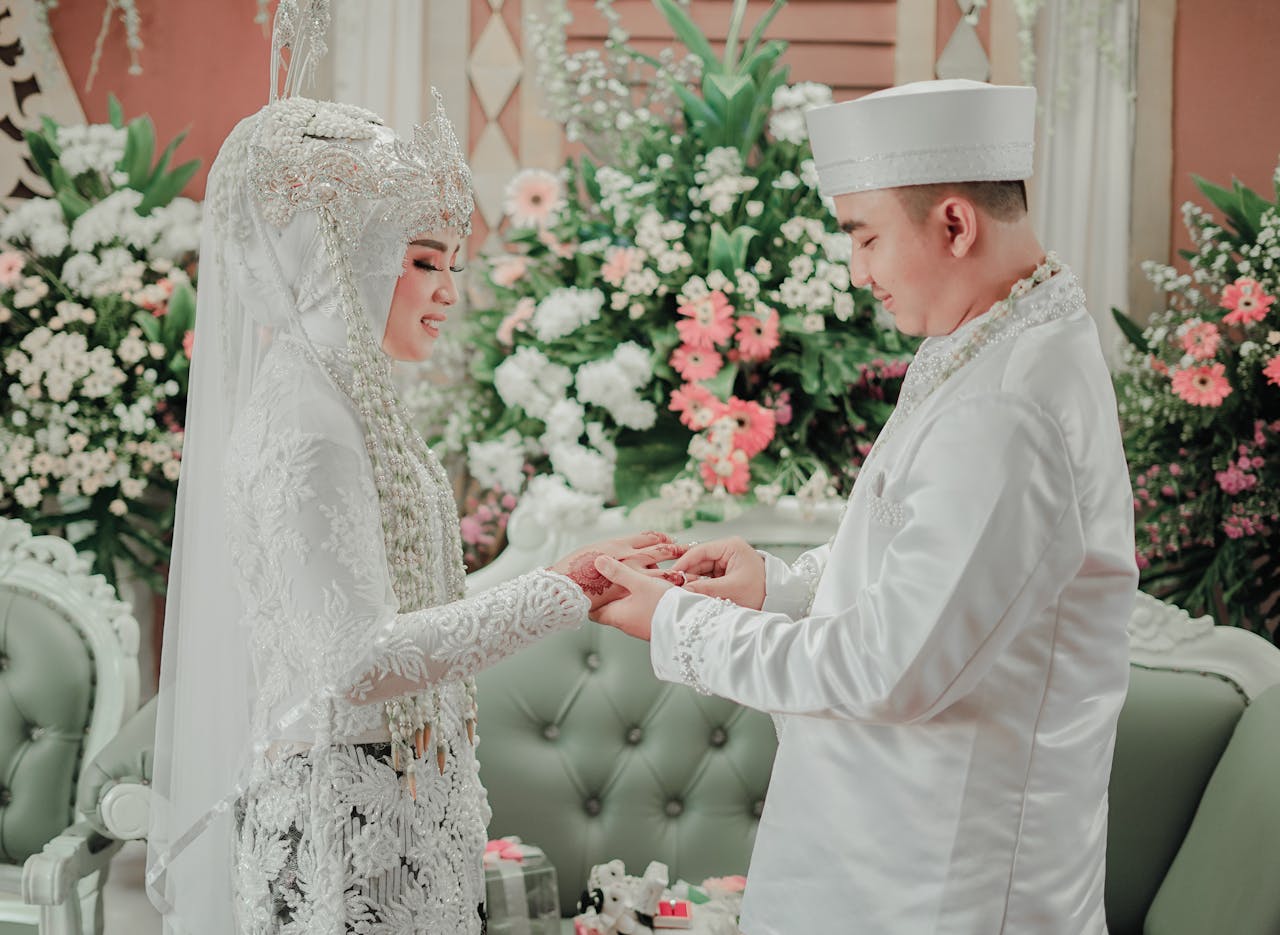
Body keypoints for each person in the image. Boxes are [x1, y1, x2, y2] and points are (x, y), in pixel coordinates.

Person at [146, 4, 680, 933]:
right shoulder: (307, 421)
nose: (447, 291)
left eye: (454, 264)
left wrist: (574, 579)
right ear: (343, 253)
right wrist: (559, 589)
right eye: (425, 259)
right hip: (343, 829)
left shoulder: (345, 400)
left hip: (394, 802)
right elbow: (354, 659)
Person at [591, 79, 1138, 934]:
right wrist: (775, 587)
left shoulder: (1010, 404)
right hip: (889, 848)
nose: (858, 273)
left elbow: (888, 667)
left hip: (944, 882)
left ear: (954, 224)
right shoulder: (989, 338)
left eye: (865, 236)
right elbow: (927, 568)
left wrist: (679, 625)